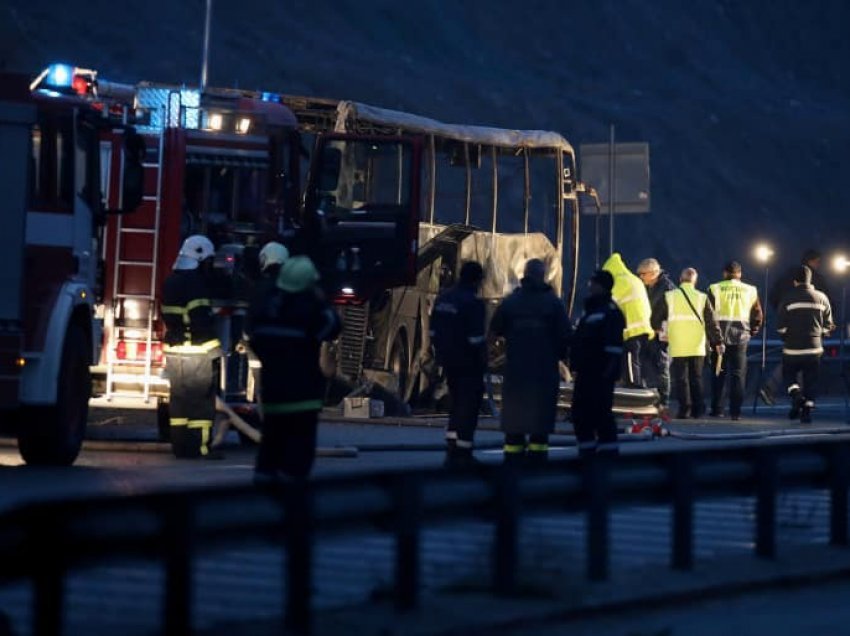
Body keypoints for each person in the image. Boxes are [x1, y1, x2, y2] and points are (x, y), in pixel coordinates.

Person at [246, 256, 342, 482]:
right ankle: (292, 507)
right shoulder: (310, 308)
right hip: (303, 396)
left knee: (269, 450)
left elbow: (253, 336)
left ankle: (263, 497)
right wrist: (321, 300)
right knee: (297, 461)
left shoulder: (266, 307)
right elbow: (333, 327)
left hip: (273, 395)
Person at [489, 259, 572, 465]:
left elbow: (492, 333)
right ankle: (538, 462)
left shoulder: (511, 302)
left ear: (525, 275)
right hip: (544, 372)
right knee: (540, 423)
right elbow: (566, 338)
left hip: (516, 371)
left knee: (515, 422)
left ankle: (512, 462)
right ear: (543, 276)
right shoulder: (554, 303)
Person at [160, 234, 223, 459]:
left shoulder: (170, 281)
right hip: (197, 354)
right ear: (199, 258)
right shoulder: (196, 285)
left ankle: (180, 447)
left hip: (174, 353)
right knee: (200, 405)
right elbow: (201, 321)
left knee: (178, 402)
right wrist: (216, 350)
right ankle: (200, 449)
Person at [429, 261, 487, 467]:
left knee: (455, 402)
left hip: (447, 360)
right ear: (477, 280)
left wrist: (440, 354)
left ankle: (452, 446)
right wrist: (483, 361)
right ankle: (463, 451)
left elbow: (433, 331)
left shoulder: (444, 298)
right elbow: (476, 340)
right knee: (468, 405)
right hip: (468, 362)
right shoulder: (473, 303)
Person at [761, 249, 834, 405]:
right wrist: (824, 329)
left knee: (791, 366)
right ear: (812, 261)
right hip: (813, 338)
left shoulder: (787, 278)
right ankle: (802, 403)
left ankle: (792, 396)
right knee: (808, 372)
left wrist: (785, 317)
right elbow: (829, 308)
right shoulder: (818, 282)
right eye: (817, 261)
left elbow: (774, 296)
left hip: (791, 335)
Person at [569, 270, 625, 458]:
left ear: (601, 285)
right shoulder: (592, 310)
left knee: (601, 415)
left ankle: (607, 457)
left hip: (599, 374)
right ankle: (587, 454)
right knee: (580, 415)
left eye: (593, 283)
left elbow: (614, 349)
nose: (589, 286)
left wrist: (607, 374)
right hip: (586, 373)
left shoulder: (610, 312)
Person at [660, 268, 722, 419]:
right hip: (697, 345)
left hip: (677, 344)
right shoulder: (702, 297)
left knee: (681, 379)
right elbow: (711, 322)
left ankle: (684, 409)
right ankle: (698, 408)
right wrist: (718, 341)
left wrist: (662, 335)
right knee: (696, 378)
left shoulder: (669, 296)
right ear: (695, 281)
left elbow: (660, 318)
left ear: (680, 279)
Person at [776, 265, 834, 423]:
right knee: (811, 381)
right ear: (810, 280)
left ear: (795, 281)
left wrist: (786, 337)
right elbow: (828, 326)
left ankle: (796, 396)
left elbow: (781, 327)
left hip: (792, 349)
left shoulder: (788, 298)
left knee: (788, 376)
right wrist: (821, 333)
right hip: (814, 349)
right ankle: (806, 411)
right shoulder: (822, 298)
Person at [707, 261, 763, 420]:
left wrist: (712, 336)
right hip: (741, 338)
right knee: (738, 375)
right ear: (740, 274)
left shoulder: (714, 288)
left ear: (725, 273)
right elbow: (757, 314)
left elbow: (708, 315)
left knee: (718, 373)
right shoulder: (751, 290)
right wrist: (752, 330)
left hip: (719, 338)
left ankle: (717, 409)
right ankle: (735, 412)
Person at [602, 253, 654, 387]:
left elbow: (607, 302)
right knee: (638, 361)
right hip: (643, 327)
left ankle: (633, 388)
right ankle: (638, 385)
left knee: (631, 360)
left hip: (633, 329)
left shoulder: (620, 281)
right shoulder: (634, 279)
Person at [636, 257, 676, 410]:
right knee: (646, 366)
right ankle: (647, 400)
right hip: (649, 332)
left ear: (653, 273)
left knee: (662, 368)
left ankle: (663, 402)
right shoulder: (647, 287)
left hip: (660, 334)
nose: (640, 277)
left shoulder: (668, 288)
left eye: (643, 274)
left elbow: (673, 313)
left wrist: (663, 331)